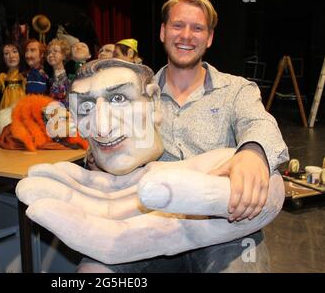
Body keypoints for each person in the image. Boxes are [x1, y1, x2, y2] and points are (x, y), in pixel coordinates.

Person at [16, 58, 286, 273]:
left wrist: (254, 153)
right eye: (177, 25)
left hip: (226, 221)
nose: (186, 35)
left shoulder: (234, 89)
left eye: (119, 99)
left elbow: (259, 124)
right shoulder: (139, 80)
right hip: (142, 217)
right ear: (163, 31)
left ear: (210, 36)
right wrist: (99, 161)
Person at [0, 42, 26, 110]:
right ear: (3, 58)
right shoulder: (2, 78)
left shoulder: (26, 75)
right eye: (6, 53)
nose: (11, 56)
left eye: (14, 51)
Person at [46, 38, 71, 106]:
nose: (50, 55)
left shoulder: (71, 80)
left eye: (55, 51)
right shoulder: (48, 79)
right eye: (49, 52)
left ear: (64, 55)